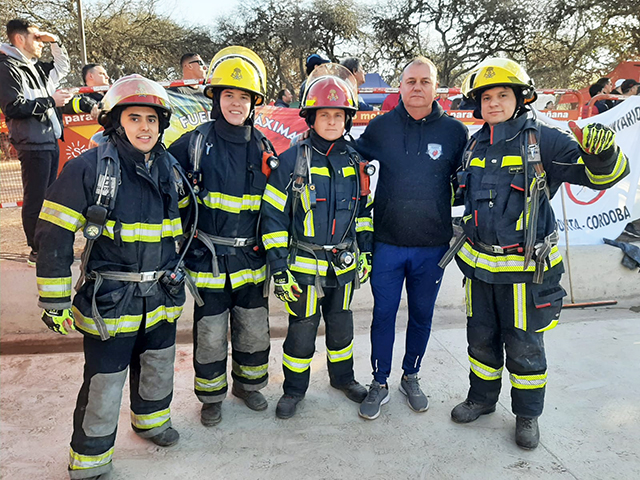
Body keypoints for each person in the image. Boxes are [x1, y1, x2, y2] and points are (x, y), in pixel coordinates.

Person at [447, 58, 629, 450]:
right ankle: (482, 398)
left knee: (525, 348)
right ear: (478, 104)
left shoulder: (543, 140)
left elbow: (602, 176)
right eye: (487, 97)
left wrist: (603, 153)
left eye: (503, 95)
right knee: (480, 342)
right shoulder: (474, 144)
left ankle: (527, 415)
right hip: (479, 271)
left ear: (520, 98)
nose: (494, 102)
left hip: (524, 274)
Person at [35, 75, 190, 479]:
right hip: (110, 302)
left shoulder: (171, 170)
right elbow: (53, 233)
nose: (144, 127)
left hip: (159, 295)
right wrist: (54, 299)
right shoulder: (88, 168)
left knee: (157, 365)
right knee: (105, 381)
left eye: (152, 120)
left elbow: (188, 221)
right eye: (134, 117)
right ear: (115, 122)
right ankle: (89, 458)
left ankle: (152, 422)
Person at [355, 57, 468, 420]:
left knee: (421, 315)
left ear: (436, 87)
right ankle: (379, 381)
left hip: (432, 246)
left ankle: (411, 375)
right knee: (383, 315)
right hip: (386, 243)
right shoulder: (380, 128)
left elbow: (470, 184)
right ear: (399, 87)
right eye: (410, 81)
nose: (417, 87)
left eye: (425, 81)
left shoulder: (455, 133)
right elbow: (348, 162)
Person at [168, 46, 274, 427]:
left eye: (243, 96)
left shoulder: (264, 147)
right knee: (210, 332)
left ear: (254, 102)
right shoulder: (193, 144)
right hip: (207, 260)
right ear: (215, 97)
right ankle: (211, 397)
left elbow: (277, 209)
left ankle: (249, 386)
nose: (235, 103)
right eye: (228, 94)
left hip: (251, 260)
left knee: (252, 327)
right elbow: (167, 189)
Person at [261, 64, 372, 419]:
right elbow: (273, 216)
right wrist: (279, 269)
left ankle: (343, 379)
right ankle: (294, 390)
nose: (332, 121)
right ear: (311, 117)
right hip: (303, 266)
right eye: (324, 114)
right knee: (302, 332)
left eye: (338, 115)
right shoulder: (293, 160)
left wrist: (365, 253)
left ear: (347, 119)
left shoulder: (355, 161)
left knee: (341, 327)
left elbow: (365, 214)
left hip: (343, 265)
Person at [0, 19, 71, 265]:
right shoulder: (7, 66)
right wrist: (51, 101)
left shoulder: (31, 65)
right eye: (35, 37)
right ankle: (37, 249)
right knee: (36, 198)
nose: (40, 42)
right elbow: (14, 107)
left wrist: (55, 41)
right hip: (31, 142)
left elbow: (62, 67)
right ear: (19, 39)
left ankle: (47, 245)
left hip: (48, 139)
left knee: (48, 198)